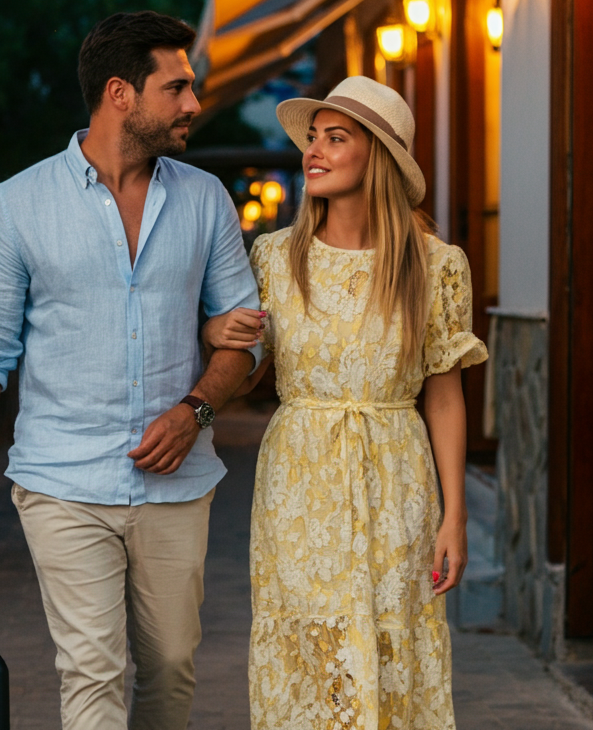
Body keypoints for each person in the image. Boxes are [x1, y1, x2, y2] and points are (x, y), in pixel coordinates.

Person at [0, 11, 260, 730]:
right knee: (91, 671)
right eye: (176, 87)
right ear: (120, 93)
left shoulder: (206, 200)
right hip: (62, 481)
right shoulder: (18, 206)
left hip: (177, 485)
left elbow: (246, 340)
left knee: (172, 667)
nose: (193, 104)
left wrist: (195, 411)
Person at [203, 76, 487, 730]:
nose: (315, 151)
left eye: (337, 138)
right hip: (299, 484)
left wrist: (455, 516)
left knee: (392, 644)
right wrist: (218, 336)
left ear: (379, 156)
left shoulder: (434, 264)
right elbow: (247, 377)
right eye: (313, 138)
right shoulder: (273, 257)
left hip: (398, 477)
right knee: (311, 648)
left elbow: (444, 396)